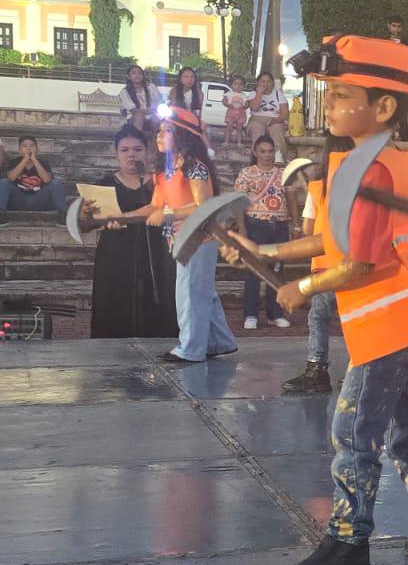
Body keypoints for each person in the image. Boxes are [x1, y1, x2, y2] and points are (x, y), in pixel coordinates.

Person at [224, 34, 408, 565]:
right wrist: (267, 252)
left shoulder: (372, 168)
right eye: (327, 93)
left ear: (382, 108)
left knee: (353, 432)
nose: (326, 103)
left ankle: (349, 543)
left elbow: (359, 264)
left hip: (392, 324)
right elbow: (332, 240)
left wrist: (300, 289)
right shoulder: (366, 160)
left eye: (339, 94)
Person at [105, 109, 237, 364]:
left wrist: (169, 214)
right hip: (181, 239)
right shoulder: (164, 171)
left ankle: (191, 349)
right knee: (202, 292)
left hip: (199, 239)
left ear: (182, 135)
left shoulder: (194, 167)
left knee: (190, 292)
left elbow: (204, 205)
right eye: (159, 130)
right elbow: (154, 207)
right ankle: (220, 342)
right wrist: (122, 216)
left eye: (166, 130)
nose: (159, 135)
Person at [79, 125, 178, 339]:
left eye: (137, 149)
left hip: (156, 256)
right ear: (116, 154)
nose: (131, 155)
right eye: (124, 150)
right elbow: (86, 225)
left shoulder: (159, 183)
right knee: (115, 309)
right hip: (115, 258)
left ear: (148, 152)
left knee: (158, 308)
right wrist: (86, 215)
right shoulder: (104, 185)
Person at [282, 133, 355, 395]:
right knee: (350, 319)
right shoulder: (360, 184)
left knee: (319, 317)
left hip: (332, 263)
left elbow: (307, 228)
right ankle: (355, 371)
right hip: (348, 263)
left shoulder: (317, 186)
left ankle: (318, 369)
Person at [233, 135, 294, 330]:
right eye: (263, 151)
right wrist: (242, 228)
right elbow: (238, 203)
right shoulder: (246, 173)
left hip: (279, 226)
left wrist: (295, 223)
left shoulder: (283, 173)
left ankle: (275, 313)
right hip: (255, 225)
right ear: (255, 152)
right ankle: (251, 314)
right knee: (253, 271)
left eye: (270, 151)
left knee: (276, 272)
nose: (267, 155)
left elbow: (291, 199)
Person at [0, 135, 67, 218]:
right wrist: (25, 160)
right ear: (20, 151)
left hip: (39, 199)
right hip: (19, 200)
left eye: (32, 146)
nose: (28, 148)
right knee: (4, 182)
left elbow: (46, 180)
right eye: (24, 146)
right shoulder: (14, 162)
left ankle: (63, 215)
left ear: (37, 150)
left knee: (56, 183)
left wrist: (34, 160)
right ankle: (1, 215)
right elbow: (11, 178)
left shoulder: (43, 163)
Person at [246, 72, 289, 163]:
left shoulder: (278, 94)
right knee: (257, 128)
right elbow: (254, 108)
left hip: (274, 120)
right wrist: (259, 93)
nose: (266, 84)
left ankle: (278, 156)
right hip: (256, 119)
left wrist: (277, 120)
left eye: (269, 82)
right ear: (258, 83)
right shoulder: (253, 94)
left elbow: (284, 112)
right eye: (263, 81)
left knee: (277, 129)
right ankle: (257, 157)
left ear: (272, 83)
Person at [118, 64, 161, 135]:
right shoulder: (125, 92)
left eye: (139, 73)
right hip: (134, 118)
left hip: (152, 116)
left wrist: (154, 111)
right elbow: (134, 111)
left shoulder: (151, 87)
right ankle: (138, 141)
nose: (137, 75)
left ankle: (157, 141)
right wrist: (149, 111)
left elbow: (159, 104)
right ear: (128, 76)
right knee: (139, 116)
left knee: (155, 117)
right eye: (134, 73)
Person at [224, 74, 251, 148]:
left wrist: (245, 106)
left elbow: (247, 105)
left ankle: (239, 142)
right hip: (231, 114)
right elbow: (224, 102)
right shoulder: (228, 94)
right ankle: (226, 141)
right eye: (235, 84)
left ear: (244, 86)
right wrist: (229, 105)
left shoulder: (244, 96)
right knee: (229, 128)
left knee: (239, 129)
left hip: (240, 114)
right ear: (231, 85)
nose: (238, 86)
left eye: (240, 84)